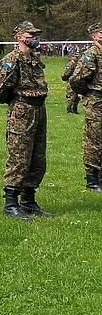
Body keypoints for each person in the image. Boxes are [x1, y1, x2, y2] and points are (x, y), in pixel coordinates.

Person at [0, 21, 50, 220]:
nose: (34, 38)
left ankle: (28, 201)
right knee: (19, 156)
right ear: (19, 37)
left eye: (35, 35)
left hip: (39, 109)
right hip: (22, 111)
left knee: (37, 157)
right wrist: (17, 102)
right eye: (30, 35)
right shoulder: (12, 60)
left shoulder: (34, 58)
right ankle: (10, 203)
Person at [69, 23, 102, 192]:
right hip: (96, 101)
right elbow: (76, 79)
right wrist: (88, 95)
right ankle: (92, 178)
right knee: (94, 140)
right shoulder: (91, 54)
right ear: (94, 36)